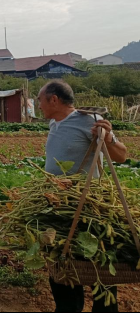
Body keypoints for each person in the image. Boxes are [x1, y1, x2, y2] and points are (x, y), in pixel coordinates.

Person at [38, 81, 127, 313]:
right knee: (62, 265)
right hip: (59, 206)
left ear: (54, 100)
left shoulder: (90, 121)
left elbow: (121, 156)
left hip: (87, 207)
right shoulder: (53, 123)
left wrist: (109, 138)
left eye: (40, 100)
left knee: (98, 265)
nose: (38, 105)